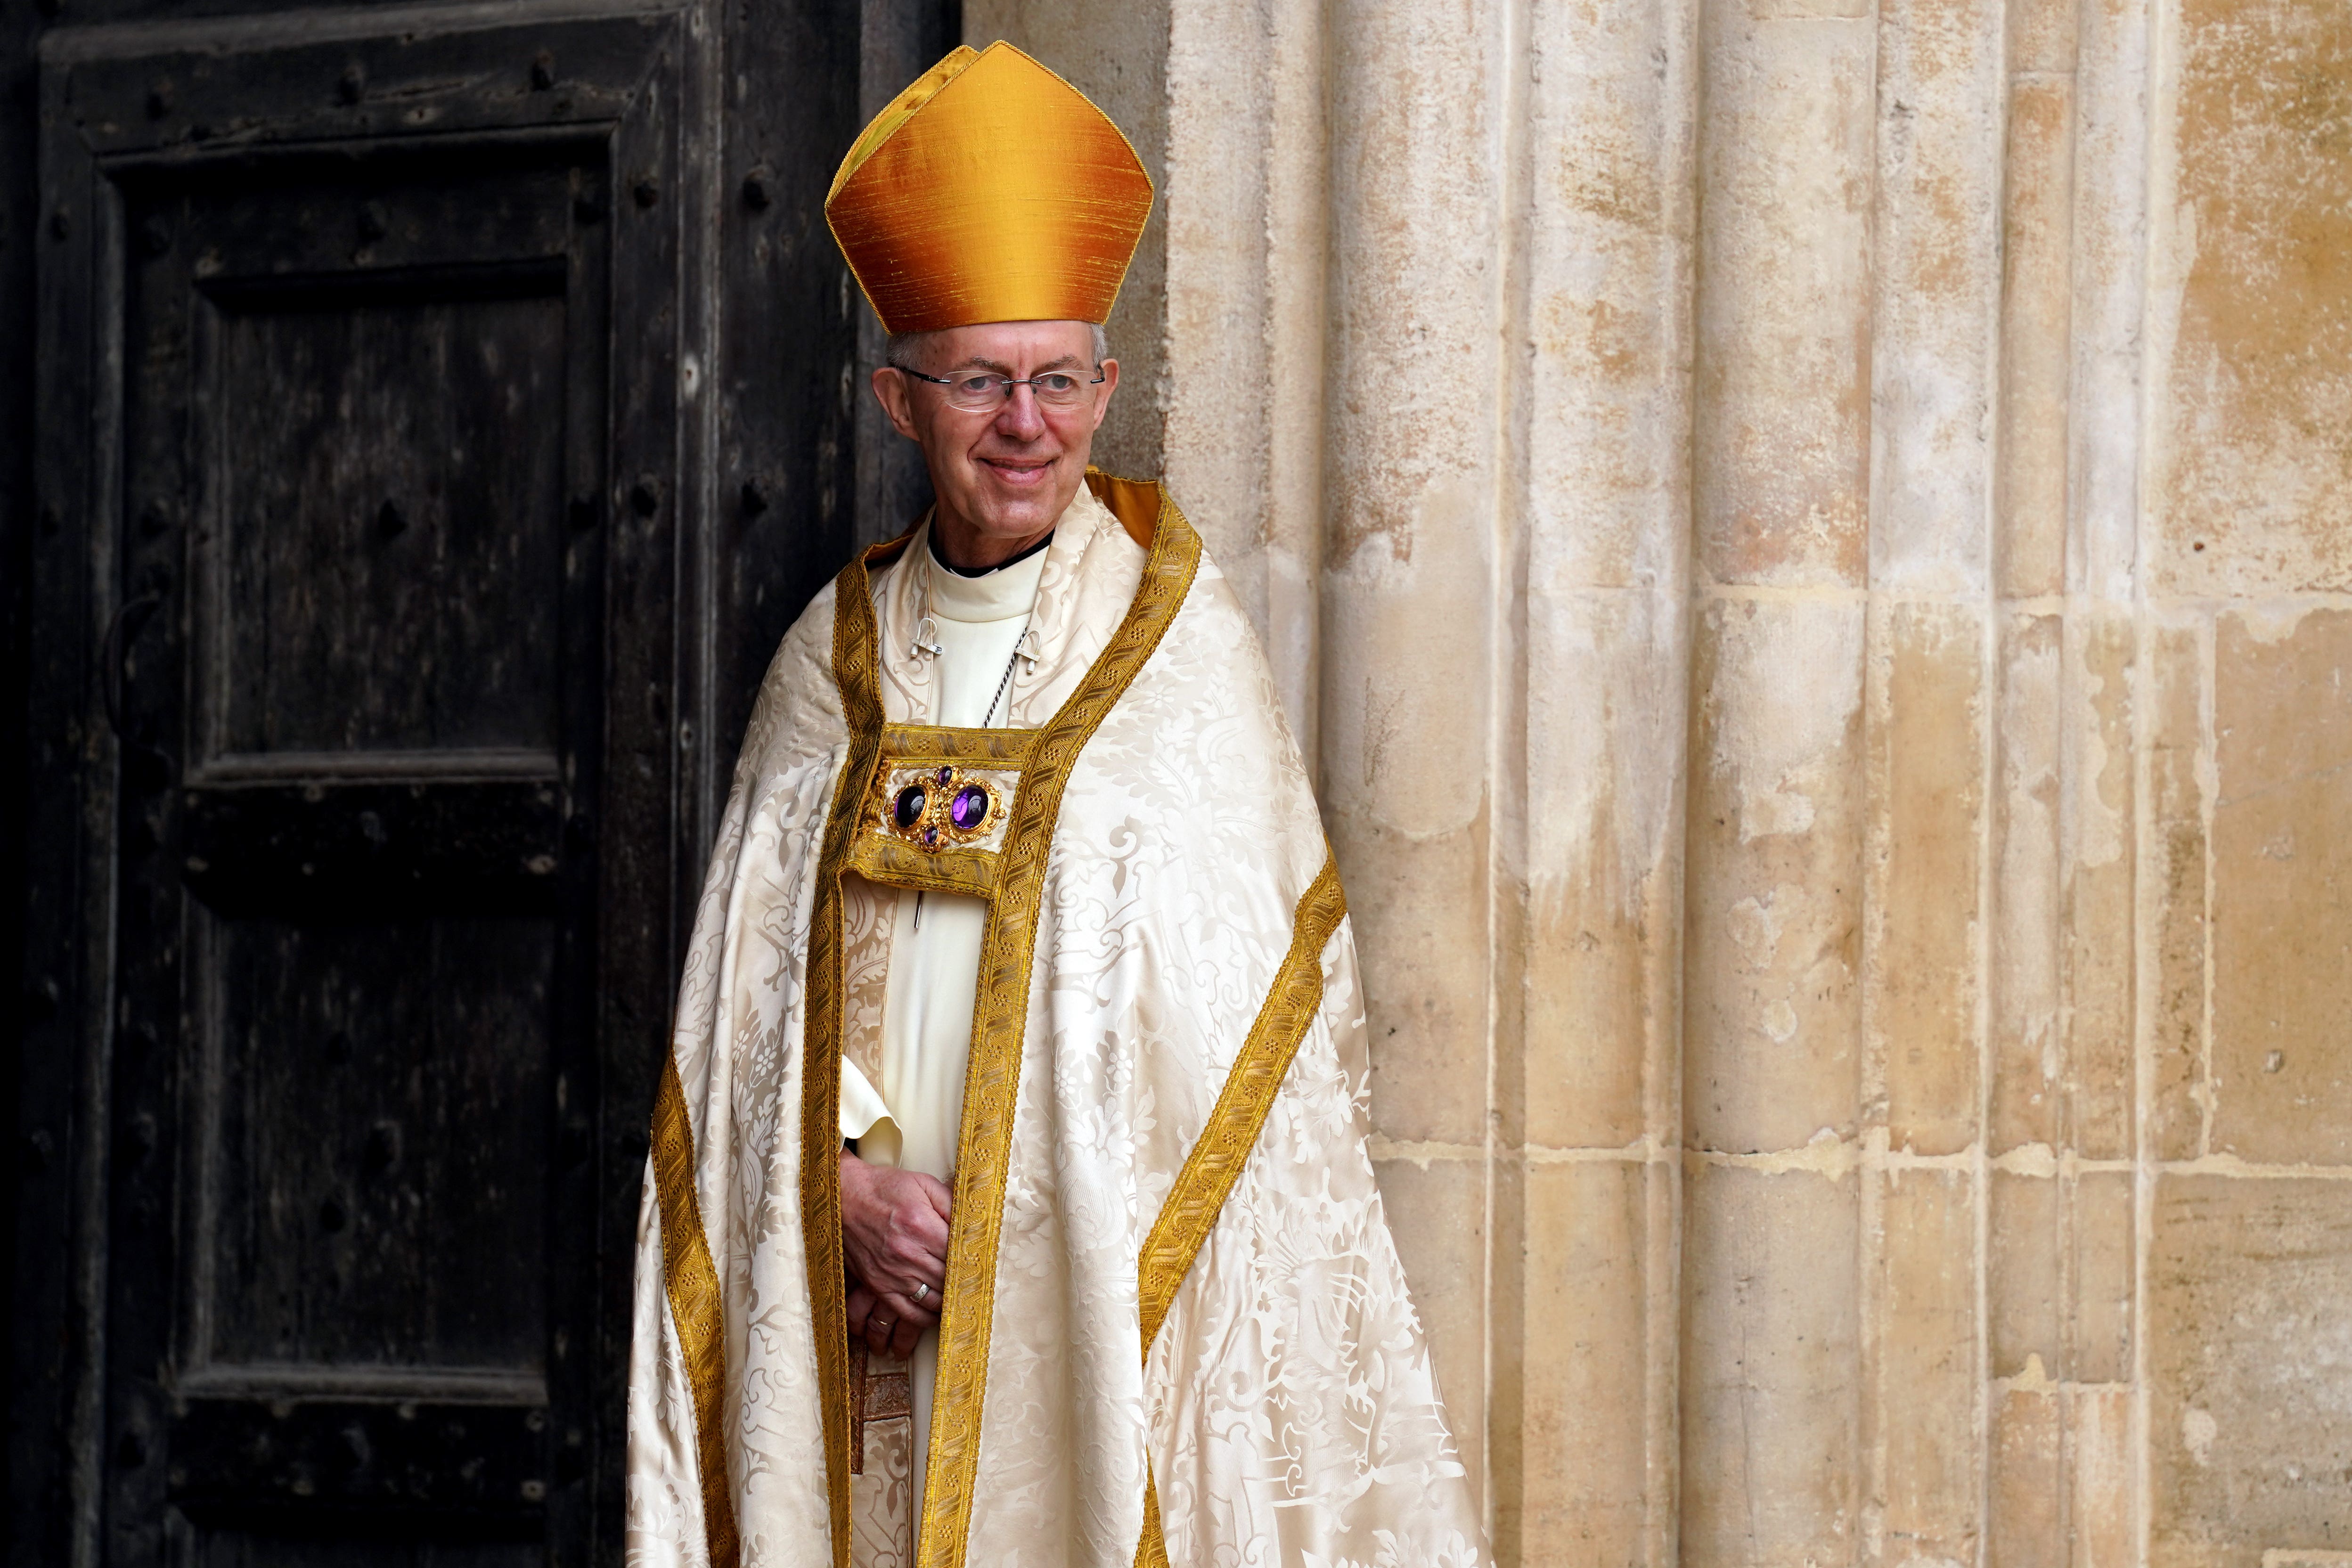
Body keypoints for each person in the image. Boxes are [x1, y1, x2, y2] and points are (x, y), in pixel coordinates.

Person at [625, 41, 1485, 1568]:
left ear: (1104, 388)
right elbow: (759, 1004)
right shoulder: (825, 668)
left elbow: (1250, 1039)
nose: (1026, 424)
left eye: (1059, 379)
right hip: (861, 1318)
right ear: (902, 399)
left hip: (1079, 1315)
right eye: (979, 380)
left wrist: (1026, 1221)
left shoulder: (1178, 657)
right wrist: (843, 1186)